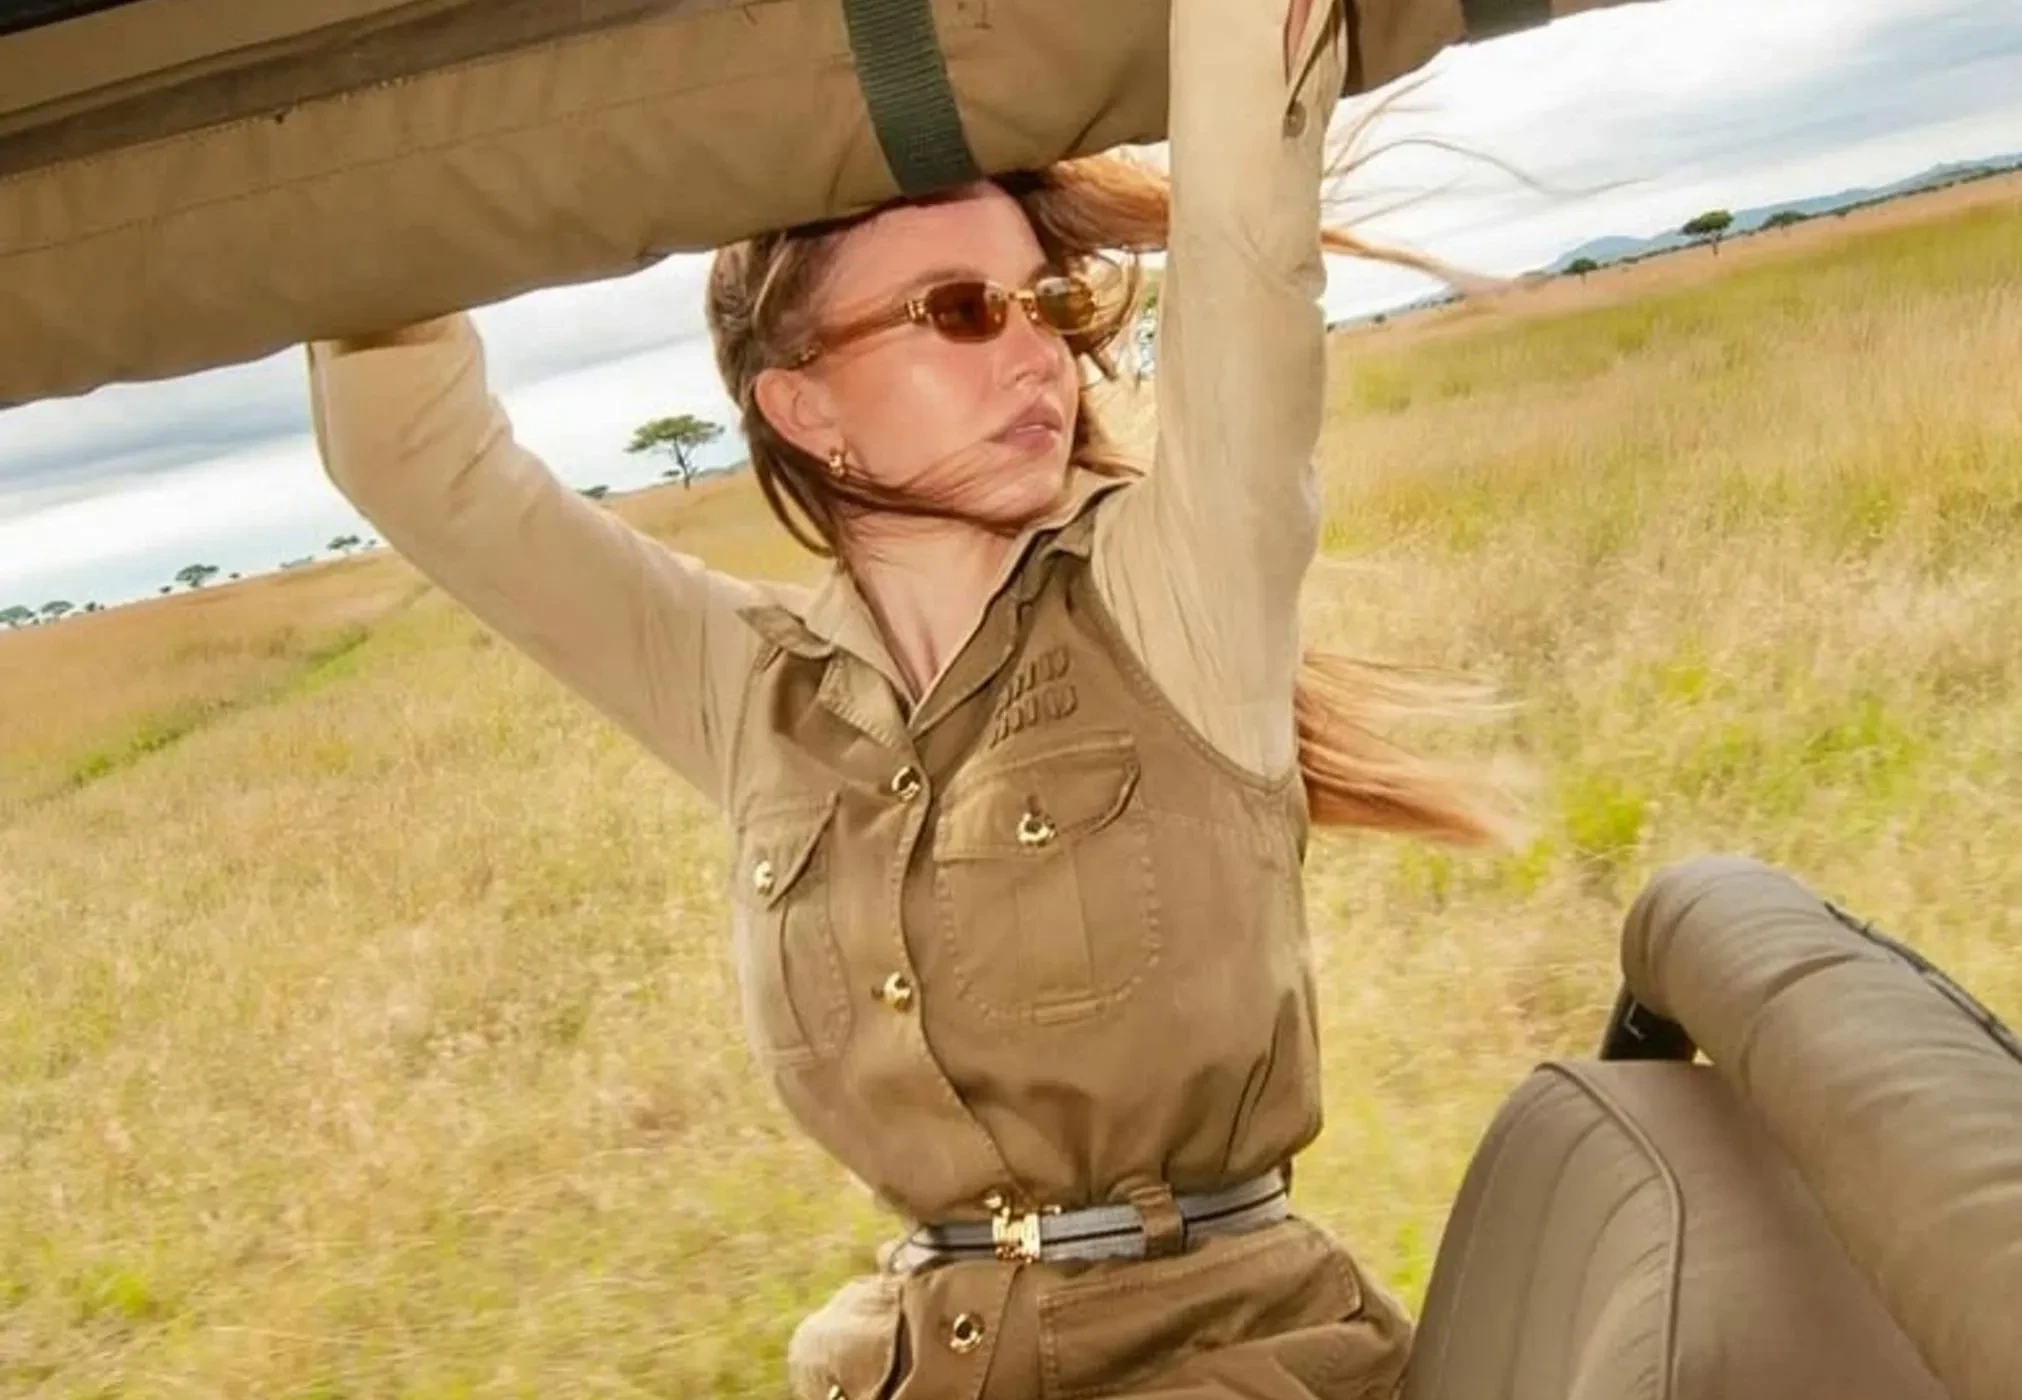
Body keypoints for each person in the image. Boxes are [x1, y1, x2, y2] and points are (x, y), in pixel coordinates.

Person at [307, 0, 1504, 1394]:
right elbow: (413, 459)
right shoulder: (745, 690)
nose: (1036, 354)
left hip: (1225, 1356)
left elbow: (1246, 245)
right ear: (805, 410)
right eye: (960, 312)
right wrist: (400, 126)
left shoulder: (1181, 597)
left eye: (1047, 306)